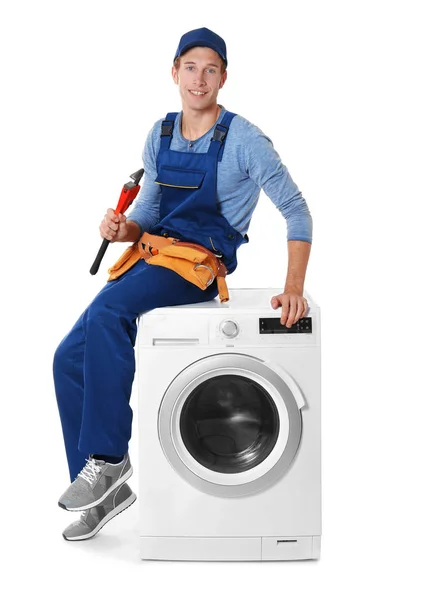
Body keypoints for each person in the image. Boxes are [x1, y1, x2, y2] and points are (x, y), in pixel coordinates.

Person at [53, 27, 313, 542]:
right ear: (174, 72)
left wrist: (294, 288)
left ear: (223, 77)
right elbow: (146, 216)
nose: (199, 78)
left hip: (196, 265)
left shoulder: (244, 139)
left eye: (210, 69)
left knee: (108, 316)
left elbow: (297, 211)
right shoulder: (161, 132)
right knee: (67, 358)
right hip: (151, 257)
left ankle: (107, 459)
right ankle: (107, 491)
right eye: (190, 67)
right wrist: (119, 229)